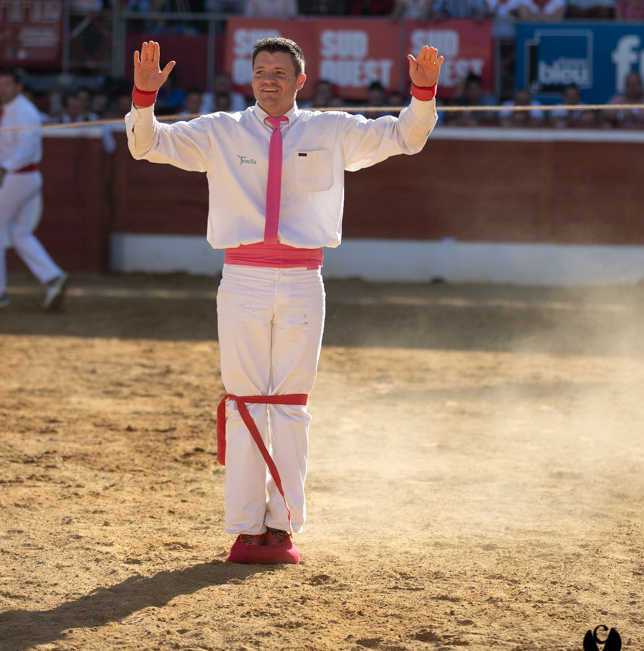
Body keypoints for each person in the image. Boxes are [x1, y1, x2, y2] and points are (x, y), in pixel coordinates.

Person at [125, 36, 442, 565]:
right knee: (247, 400)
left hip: (302, 280)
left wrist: (423, 91)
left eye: (279, 71)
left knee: (291, 404)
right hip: (243, 278)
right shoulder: (221, 130)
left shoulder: (333, 129)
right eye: (260, 70)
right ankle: (248, 528)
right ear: (250, 79)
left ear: (300, 81)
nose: (268, 78)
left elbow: (407, 136)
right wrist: (143, 98)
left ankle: (284, 526)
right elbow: (146, 144)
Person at [0, 69, 68, 312]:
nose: (1, 89)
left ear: (18, 87)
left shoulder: (22, 111)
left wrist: (3, 169)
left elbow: (26, 148)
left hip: (17, 176)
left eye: (7, 85)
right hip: (24, 176)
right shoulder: (17, 110)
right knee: (20, 233)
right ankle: (52, 277)